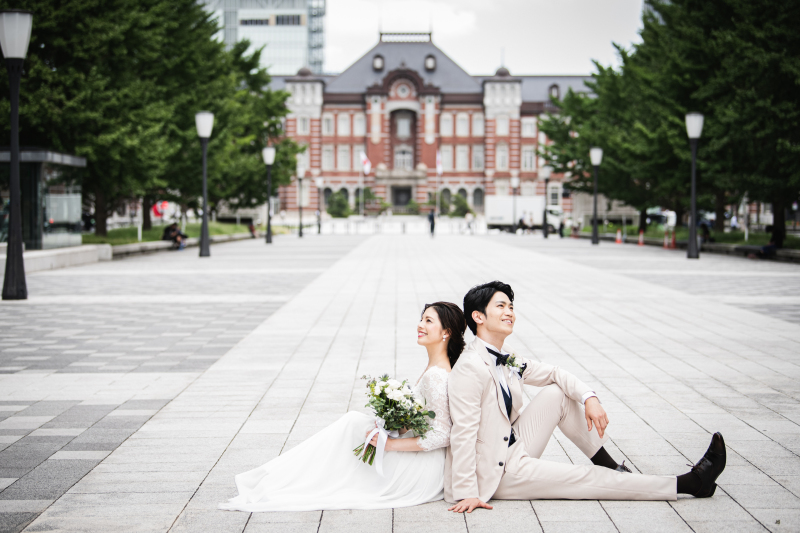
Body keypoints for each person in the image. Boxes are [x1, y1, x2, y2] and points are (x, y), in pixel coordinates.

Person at [445, 281, 727, 513]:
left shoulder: (504, 358)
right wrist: (468, 493)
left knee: (558, 393)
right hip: (498, 473)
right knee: (584, 479)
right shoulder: (471, 368)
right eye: (501, 306)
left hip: (513, 444)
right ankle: (687, 484)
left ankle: (612, 467)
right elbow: (463, 434)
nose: (510, 312)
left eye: (511, 306)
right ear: (478, 317)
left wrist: (590, 398)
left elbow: (554, 372)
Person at [219, 302, 467, 512]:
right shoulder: (435, 369)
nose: (420, 325)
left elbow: (442, 435)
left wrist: (389, 443)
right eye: (421, 319)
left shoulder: (437, 376)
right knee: (355, 425)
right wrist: (392, 427)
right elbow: (421, 421)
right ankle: (289, 476)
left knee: (351, 425)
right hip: (419, 455)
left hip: (423, 469)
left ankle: (285, 477)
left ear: (446, 332)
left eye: (428, 321)